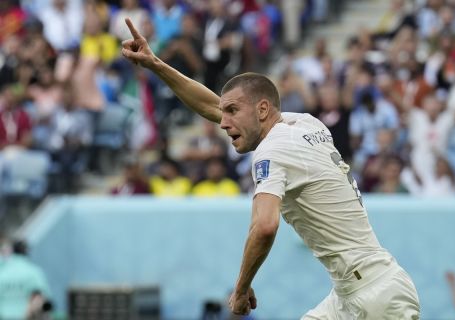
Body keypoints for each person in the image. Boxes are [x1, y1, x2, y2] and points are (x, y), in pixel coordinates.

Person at [121, 18, 420, 318]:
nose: (223, 122)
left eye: (233, 111)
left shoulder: (272, 150)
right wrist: (155, 64)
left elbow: (265, 226)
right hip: (353, 291)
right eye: (225, 113)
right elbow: (214, 107)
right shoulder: (304, 122)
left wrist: (241, 288)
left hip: (375, 297)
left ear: (263, 109)